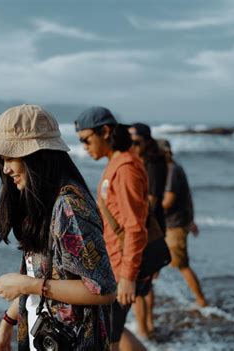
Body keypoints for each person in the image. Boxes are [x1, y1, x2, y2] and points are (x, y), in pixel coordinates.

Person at [0, 104, 117, 351]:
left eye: (11, 157)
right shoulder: (44, 203)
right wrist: (8, 321)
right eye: (2, 159)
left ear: (38, 155)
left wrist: (27, 285)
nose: (5, 168)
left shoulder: (69, 207)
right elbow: (41, 275)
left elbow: (103, 290)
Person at [75, 106, 149, 351]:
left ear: (105, 131)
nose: (85, 147)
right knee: (111, 331)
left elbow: (135, 227)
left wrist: (128, 277)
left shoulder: (126, 168)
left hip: (121, 271)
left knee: (109, 340)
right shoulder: (116, 163)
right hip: (114, 265)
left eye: (86, 140)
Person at [128, 123, 168, 338]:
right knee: (147, 283)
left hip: (149, 227)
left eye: (136, 142)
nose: (132, 147)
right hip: (153, 225)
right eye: (129, 143)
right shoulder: (151, 160)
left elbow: (152, 199)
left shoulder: (152, 163)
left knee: (141, 284)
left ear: (146, 140)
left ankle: (143, 331)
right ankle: (147, 326)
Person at [157, 139, 207, 307]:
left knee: (182, 265)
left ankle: (201, 300)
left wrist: (147, 212)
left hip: (174, 224)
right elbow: (188, 196)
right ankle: (151, 297)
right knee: (154, 263)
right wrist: (191, 220)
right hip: (178, 222)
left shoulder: (171, 170)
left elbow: (169, 200)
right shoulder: (176, 168)